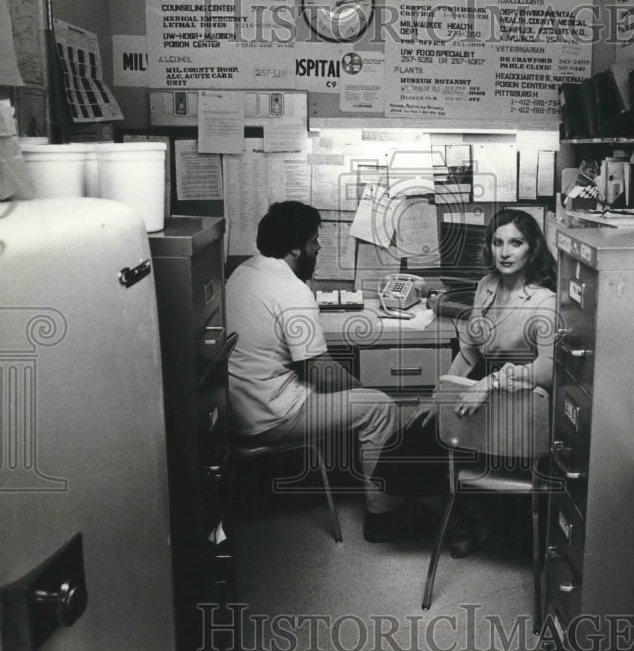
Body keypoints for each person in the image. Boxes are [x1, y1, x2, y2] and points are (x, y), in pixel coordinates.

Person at [226, 200, 425, 542]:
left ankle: (373, 489)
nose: (318, 249)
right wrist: (363, 391)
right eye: (314, 242)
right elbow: (321, 372)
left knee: (362, 399)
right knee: (379, 407)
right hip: (271, 417)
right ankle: (384, 516)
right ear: (295, 247)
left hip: (239, 411)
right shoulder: (291, 290)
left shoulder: (242, 274)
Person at [441, 207, 558, 557]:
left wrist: (489, 383)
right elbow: (470, 353)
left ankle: (474, 517)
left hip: (520, 403)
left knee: (436, 444)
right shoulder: (486, 285)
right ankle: (471, 516)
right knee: (423, 430)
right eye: (497, 242)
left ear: (532, 249)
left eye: (516, 243)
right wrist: (442, 392)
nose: (505, 252)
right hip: (485, 392)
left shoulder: (543, 301)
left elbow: (549, 369)